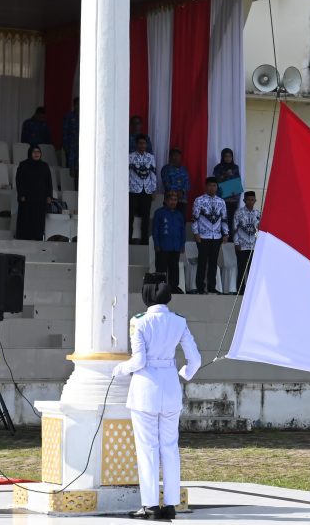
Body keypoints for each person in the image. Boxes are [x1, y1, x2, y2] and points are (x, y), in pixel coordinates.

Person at [113, 274, 201, 520]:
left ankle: (150, 505)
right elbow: (195, 359)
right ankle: (171, 503)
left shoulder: (139, 321)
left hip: (145, 389)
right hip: (170, 387)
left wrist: (119, 370)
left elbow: (139, 360)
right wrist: (184, 373)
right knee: (170, 448)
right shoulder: (178, 321)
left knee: (148, 449)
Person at [192, 177, 228, 294]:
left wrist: (226, 233)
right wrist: (196, 233)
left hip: (216, 236)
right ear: (205, 187)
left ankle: (212, 287)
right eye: (209, 185)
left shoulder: (221, 201)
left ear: (217, 187)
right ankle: (200, 287)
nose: (212, 188)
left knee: (213, 263)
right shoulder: (199, 200)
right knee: (202, 262)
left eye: (214, 186)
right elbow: (194, 218)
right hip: (203, 236)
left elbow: (224, 219)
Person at [15, 145, 53, 241]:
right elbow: (19, 181)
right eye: (34, 152)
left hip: (40, 198)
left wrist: (49, 196)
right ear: (30, 153)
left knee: (38, 220)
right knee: (26, 219)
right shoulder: (23, 165)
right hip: (27, 198)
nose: (36, 154)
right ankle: (24, 238)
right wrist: (21, 194)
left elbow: (49, 182)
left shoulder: (44, 166)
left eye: (38, 152)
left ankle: (37, 238)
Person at [152, 190, 185, 293]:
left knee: (174, 268)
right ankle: (160, 288)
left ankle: (174, 287)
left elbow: (182, 231)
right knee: (161, 268)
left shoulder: (179, 215)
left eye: (175, 200)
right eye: (171, 199)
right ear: (166, 200)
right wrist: (156, 244)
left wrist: (182, 245)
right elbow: (155, 230)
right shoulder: (159, 213)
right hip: (163, 246)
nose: (173, 202)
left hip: (175, 246)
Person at [128, 134, 156, 244]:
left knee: (145, 217)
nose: (142, 145)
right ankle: (128, 240)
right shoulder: (130, 157)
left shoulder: (151, 157)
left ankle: (144, 241)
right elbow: (127, 173)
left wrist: (153, 189)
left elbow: (153, 173)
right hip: (133, 189)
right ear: (136, 144)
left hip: (146, 190)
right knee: (130, 217)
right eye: (140, 143)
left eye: (144, 143)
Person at [233, 191, 260, 295]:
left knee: (252, 270)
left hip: (253, 246)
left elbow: (259, 231)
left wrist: (258, 243)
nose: (250, 201)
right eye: (248, 199)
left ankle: (250, 291)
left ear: (255, 201)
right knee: (241, 269)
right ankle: (240, 290)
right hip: (242, 245)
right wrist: (236, 243)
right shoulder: (238, 213)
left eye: (252, 200)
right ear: (244, 200)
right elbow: (235, 229)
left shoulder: (258, 213)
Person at [212, 148, 242, 233]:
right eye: (226, 156)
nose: (228, 158)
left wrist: (236, 193)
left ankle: (230, 238)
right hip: (221, 198)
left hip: (233, 198)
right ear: (222, 157)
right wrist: (225, 174)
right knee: (221, 218)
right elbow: (216, 181)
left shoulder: (235, 167)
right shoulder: (218, 167)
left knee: (231, 219)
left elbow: (238, 181)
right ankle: (221, 237)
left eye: (230, 156)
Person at [160, 148, 189, 215]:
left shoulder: (184, 169)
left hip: (182, 199)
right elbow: (166, 183)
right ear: (170, 157)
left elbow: (187, 183)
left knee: (181, 220)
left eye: (178, 156)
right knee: (168, 220)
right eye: (174, 155)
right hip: (170, 199)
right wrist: (175, 193)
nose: (175, 157)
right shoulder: (166, 169)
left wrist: (182, 191)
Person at [62, 97, 80, 190]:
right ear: (74, 105)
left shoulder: (87, 116)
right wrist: (66, 148)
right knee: (72, 172)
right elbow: (65, 132)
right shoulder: (69, 117)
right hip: (72, 148)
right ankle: (72, 192)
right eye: (78, 104)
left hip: (83, 149)